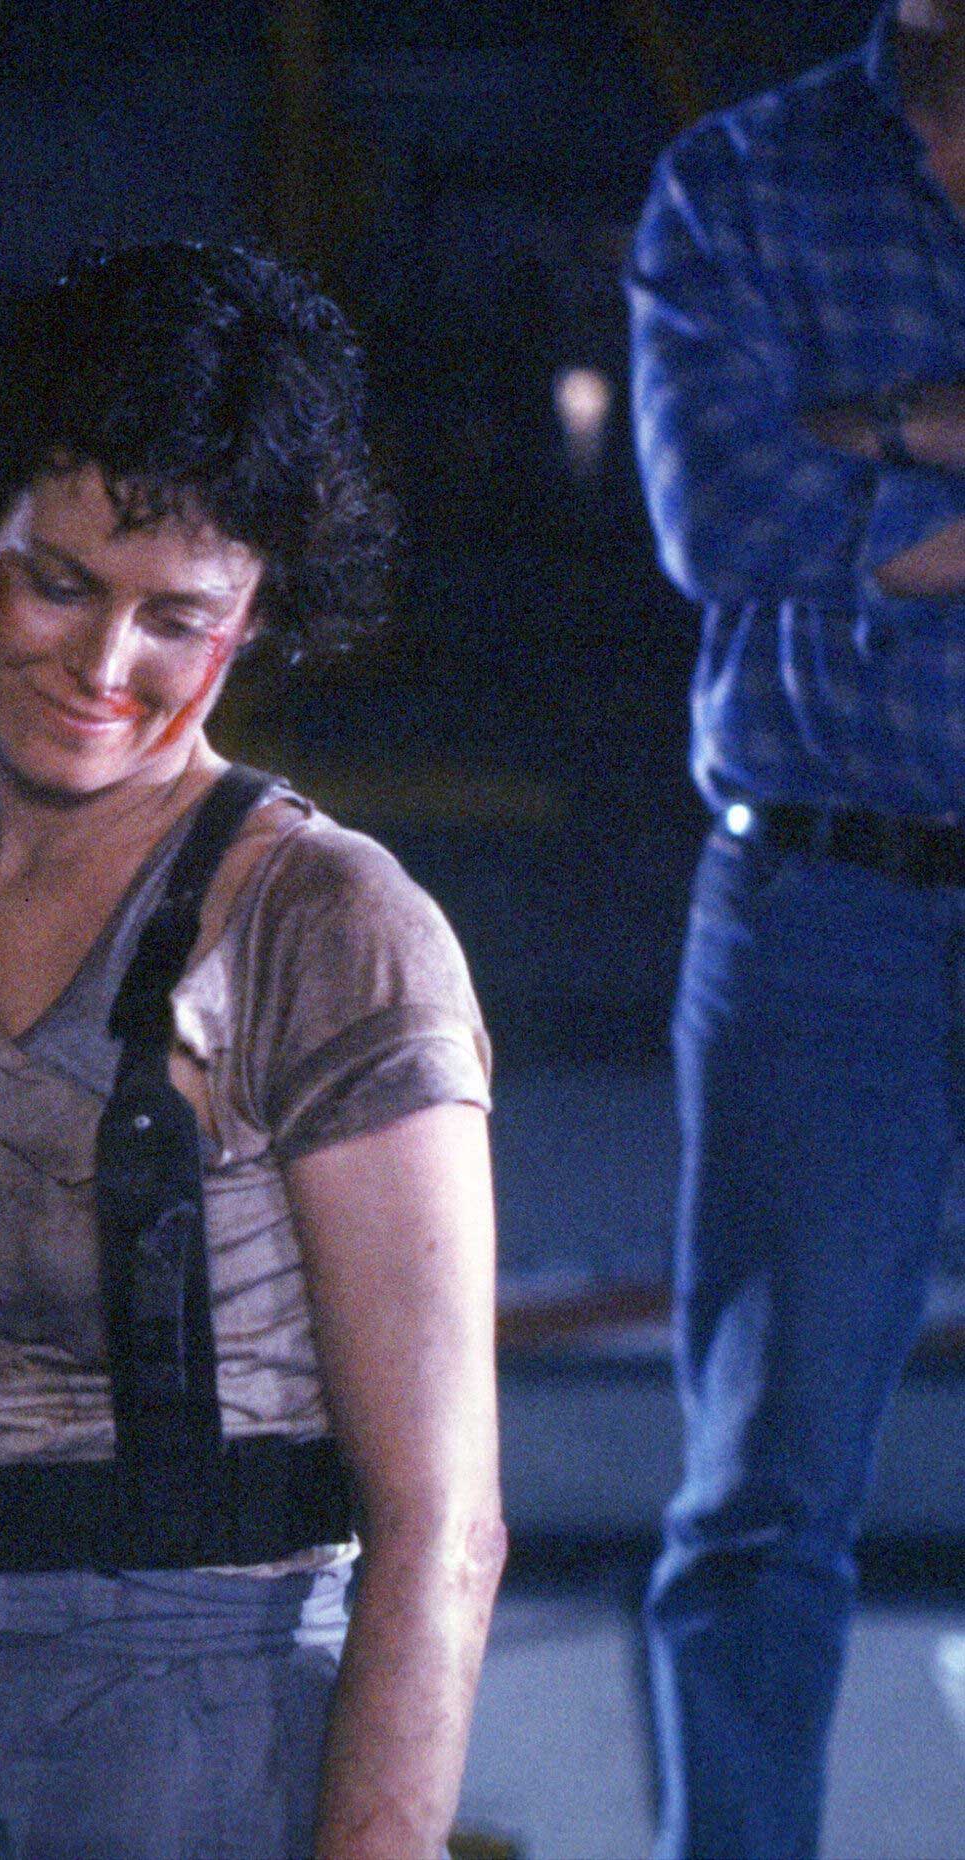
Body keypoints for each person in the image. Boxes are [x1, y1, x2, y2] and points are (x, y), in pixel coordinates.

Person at [0, 242, 506, 1860]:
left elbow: (442, 1525)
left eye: (180, 618)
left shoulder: (329, 928)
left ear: (258, 618)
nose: (103, 669)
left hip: (205, 1735)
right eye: (60, 582)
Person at [629, 4, 965, 1852]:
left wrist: (886, 429)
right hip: (823, 903)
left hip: (824, 896)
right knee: (763, 1499)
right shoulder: (742, 182)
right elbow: (724, 513)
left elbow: (803, 492)